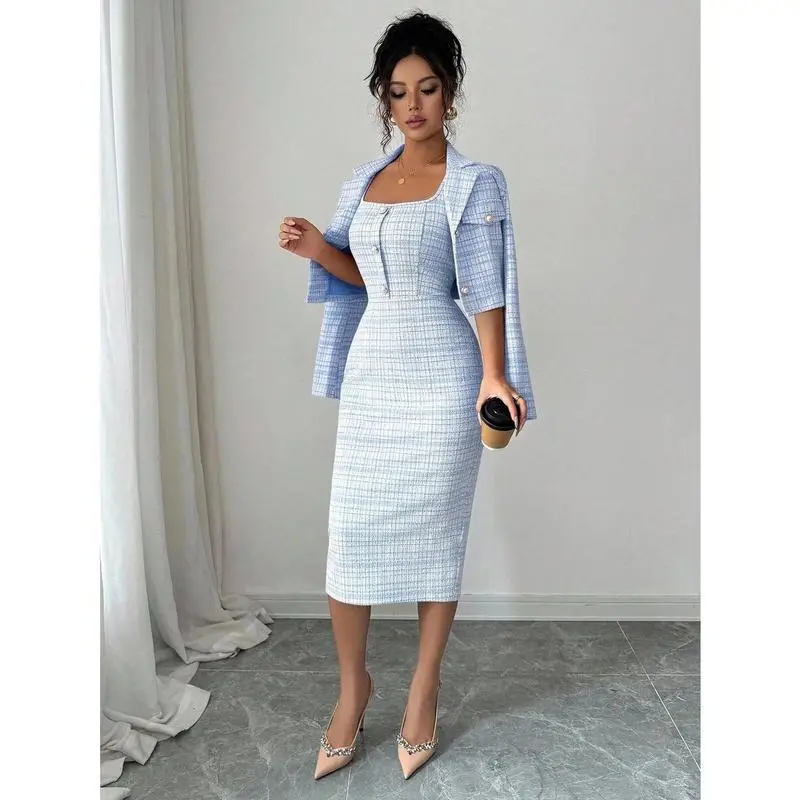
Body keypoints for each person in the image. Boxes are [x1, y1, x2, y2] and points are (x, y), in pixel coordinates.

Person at [277, 10, 537, 782]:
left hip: (445, 376)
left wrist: (494, 374)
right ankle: (353, 690)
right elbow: (362, 275)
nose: (413, 104)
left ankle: (423, 692)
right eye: (398, 92)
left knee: (436, 538)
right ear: (383, 100)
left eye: (427, 88)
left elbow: (483, 287)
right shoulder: (362, 183)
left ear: (449, 93)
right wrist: (316, 247)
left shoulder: (474, 183)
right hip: (374, 371)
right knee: (349, 535)